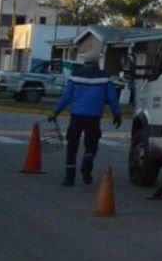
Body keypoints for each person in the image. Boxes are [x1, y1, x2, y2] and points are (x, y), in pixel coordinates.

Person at [48, 55, 122, 187]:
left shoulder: (75, 76)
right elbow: (112, 97)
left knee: (72, 146)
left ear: (85, 63)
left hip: (76, 116)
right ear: (97, 63)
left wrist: (55, 112)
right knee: (92, 144)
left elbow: (66, 96)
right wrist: (117, 113)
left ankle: (69, 178)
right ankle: (87, 160)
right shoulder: (104, 77)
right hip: (94, 117)